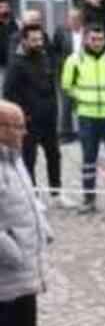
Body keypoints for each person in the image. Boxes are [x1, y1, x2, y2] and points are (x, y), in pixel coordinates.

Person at [0, 100, 70, 326]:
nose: (24, 132)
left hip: (25, 265)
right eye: (18, 126)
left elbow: (31, 201)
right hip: (6, 267)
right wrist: (13, 252)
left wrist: (44, 230)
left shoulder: (14, 160)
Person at [60, 25, 105, 215]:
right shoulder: (75, 59)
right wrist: (83, 97)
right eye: (93, 39)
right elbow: (67, 85)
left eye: (100, 39)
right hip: (87, 116)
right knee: (88, 161)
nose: (97, 42)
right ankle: (89, 200)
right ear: (86, 39)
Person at [3, 26, 61, 199]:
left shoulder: (45, 58)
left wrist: (54, 111)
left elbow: (51, 88)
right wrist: (22, 116)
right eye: (34, 40)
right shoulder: (16, 64)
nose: (39, 43)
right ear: (24, 41)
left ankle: (56, 193)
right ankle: (32, 196)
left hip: (48, 119)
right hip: (28, 121)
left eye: (40, 39)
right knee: (29, 159)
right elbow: (8, 94)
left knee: (54, 155)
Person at [53, 9, 85, 143]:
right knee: (66, 103)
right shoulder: (61, 31)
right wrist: (61, 63)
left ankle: (84, 132)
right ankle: (65, 133)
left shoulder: (88, 31)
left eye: (76, 18)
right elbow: (55, 51)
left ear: (81, 19)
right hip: (66, 72)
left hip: (85, 72)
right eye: (71, 18)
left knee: (83, 102)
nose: (73, 21)